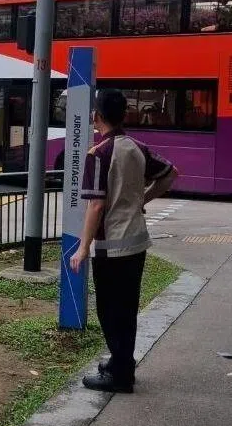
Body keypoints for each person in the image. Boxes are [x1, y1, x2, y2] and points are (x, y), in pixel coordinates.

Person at [71, 89, 178, 393]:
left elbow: (95, 205)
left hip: (111, 246)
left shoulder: (98, 154)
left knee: (108, 308)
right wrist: (142, 199)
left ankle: (119, 375)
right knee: (127, 307)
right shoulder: (138, 147)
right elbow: (171, 174)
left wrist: (82, 248)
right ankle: (122, 364)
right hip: (137, 242)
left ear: (97, 117)